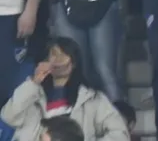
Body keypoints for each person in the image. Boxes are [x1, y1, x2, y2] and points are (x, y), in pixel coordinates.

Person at [0, 37, 129, 141]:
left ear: (74, 63)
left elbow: (120, 134)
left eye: (64, 55)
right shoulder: (33, 95)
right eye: (54, 54)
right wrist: (33, 82)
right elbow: (8, 116)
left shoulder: (92, 99)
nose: (58, 60)